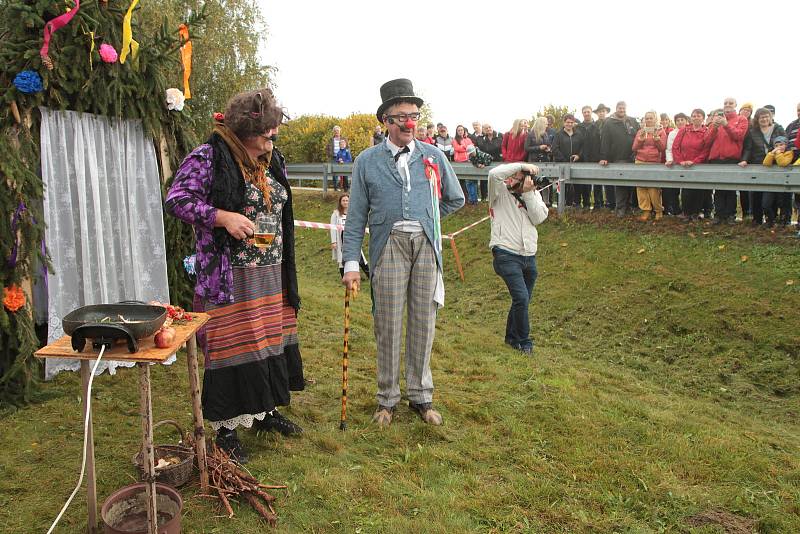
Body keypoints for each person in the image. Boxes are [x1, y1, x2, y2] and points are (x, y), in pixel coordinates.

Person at [165, 88, 304, 464]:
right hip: (230, 275)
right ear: (245, 130)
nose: (272, 141)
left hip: (272, 271)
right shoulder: (209, 155)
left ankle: (266, 412)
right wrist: (221, 216)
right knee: (231, 347)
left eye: (274, 133)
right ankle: (226, 429)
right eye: (266, 134)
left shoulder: (271, 159)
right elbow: (177, 197)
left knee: (269, 340)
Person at [342, 78, 464, 427]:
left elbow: (455, 198)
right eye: (401, 117)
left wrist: (428, 217)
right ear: (386, 121)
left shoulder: (433, 155)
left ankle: (421, 396)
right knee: (389, 322)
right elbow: (355, 218)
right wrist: (351, 262)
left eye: (414, 115)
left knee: (423, 321)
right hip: (389, 245)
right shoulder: (367, 161)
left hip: (426, 246)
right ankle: (387, 399)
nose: (410, 123)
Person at [488, 162, 549, 354]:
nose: (512, 178)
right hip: (505, 253)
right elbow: (494, 173)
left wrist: (529, 193)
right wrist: (522, 165)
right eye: (513, 175)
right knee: (521, 297)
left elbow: (539, 218)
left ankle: (511, 338)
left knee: (522, 300)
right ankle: (525, 342)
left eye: (517, 177)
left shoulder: (533, 194)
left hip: (529, 255)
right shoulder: (499, 192)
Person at [705, 97, 749, 224]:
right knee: (718, 189)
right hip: (716, 159)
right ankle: (718, 214)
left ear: (735, 105)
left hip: (731, 159)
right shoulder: (715, 120)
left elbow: (739, 136)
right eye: (725, 103)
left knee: (730, 189)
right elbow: (707, 141)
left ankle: (730, 215)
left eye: (730, 103)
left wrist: (726, 125)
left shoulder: (741, 119)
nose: (728, 105)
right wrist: (714, 126)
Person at [740, 108, 786, 227]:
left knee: (771, 193)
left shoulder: (778, 129)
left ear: (770, 117)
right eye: (761, 117)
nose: (764, 119)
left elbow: (785, 144)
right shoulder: (752, 131)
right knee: (756, 193)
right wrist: (744, 159)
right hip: (758, 163)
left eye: (766, 117)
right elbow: (748, 147)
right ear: (757, 119)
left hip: (774, 164)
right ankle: (757, 219)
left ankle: (771, 219)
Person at [599, 101, 640, 217]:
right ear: (616, 109)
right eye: (620, 108)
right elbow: (605, 141)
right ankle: (621, 208)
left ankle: (630, 206)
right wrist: (604, 157)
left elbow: (639, 136)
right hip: (618, 157)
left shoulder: (632, 121)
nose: (622, 110)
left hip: (633, 157)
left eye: (624, 108)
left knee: (632, 183)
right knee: (621, 184)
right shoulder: (609, 122)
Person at [672, 109, 709, 221]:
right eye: (693, 116)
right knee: (686, 190)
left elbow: (706, 149)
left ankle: (696, 213)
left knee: (699, 189)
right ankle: (686, 213)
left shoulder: (706, 131)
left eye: (698, 116)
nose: (695, 117)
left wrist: (696, 161)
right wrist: (680, 160)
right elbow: (675, 146)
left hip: (699, 164)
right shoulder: (684, 130)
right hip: (684, 165)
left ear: (703, 118)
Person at [632, 110, 667, 221]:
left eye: (651, 118)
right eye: (647, 118)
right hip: (640, 161)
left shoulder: (661, 131)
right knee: (641, 187)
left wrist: (657, 140)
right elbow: (634, 148)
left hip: (654, 162)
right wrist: (640, 140)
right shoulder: (640, 131)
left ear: (655, 119)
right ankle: (646, 210)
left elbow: (662, 148)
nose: (648, 120)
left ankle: (658, 210)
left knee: (653, 188)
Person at [552, 114, 588, 208]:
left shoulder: (579, 134)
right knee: (563, 185)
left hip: (576, 164)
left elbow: (583, 147)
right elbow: (555, 149)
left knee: (576, 185)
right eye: (568, 122)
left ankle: (576, 205)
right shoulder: (558, 135)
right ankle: (561, 205)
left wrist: (578, 156)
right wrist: (564, 160)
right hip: (562, 165)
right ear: (564, 123)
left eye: (572, 122)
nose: (570, 124)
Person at [330, 194, 369, 278]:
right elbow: (332, 228)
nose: (345, 202)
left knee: (360, 256)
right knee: (342, 259)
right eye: (343, 200)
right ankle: (344, 277)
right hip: (341, 240)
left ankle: (369, 275)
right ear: (340, 202)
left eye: (347, 200)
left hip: (352, 238)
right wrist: (334, 241)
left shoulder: (352, 213)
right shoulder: (336, 214)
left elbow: (357, 223)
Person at [663, 112, 689, 216]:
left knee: (687, 190)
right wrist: (670, 159)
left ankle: (687, 210)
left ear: (686, 121)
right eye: (678, 120)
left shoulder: (690, 131)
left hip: (687, 164)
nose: (680, 122)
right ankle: (676, 210)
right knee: (673, 190)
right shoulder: (673, 133)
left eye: (682, 120)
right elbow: (669, 149)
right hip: (675, 163)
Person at [477, 123, 503, 201]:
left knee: (497, 178)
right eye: (486, 128)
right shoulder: (481, 138)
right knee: (484, 179)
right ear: (483, 130)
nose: (488, 129)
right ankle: (484, 198)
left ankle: (498, 196)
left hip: (498, 160)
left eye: (489, 127)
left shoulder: (500, 135)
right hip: (486, 160)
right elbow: (481, 148)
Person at [453, 125, 478, 204]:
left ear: (464, 131)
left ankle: (473, 199)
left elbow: (471, 149)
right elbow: (457, 148)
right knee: (461, 182)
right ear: (457, 132)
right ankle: (464, 199)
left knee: (470, 180)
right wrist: (465, 147)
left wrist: (463, 147)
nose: (460, 131)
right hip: (459, 162)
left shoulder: (468, 139)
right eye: (459, 130)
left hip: (468, 161)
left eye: (461, 130)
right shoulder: (455, 140)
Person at [328, 125, 343, 190]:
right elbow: (327, 149)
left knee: (344, 172)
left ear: (340, 131)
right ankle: (336, 187)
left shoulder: (343, 139)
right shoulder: (331, 140)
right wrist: (329, 154)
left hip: (342, 157)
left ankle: (345, 187)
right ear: (333, 132)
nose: (337, 132)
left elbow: (347, 147)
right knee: (335, 173)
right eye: (335, 131)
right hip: (334, 157)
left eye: (338, 131)